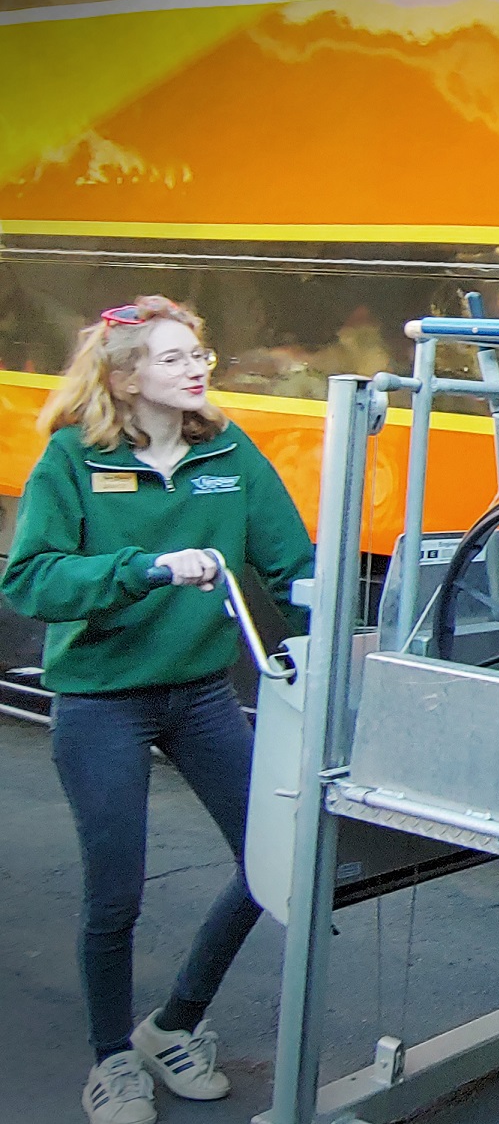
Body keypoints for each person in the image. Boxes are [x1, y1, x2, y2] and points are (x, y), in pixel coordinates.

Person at [1, 296, 314, 1124]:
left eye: (197, 353)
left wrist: (345, 638)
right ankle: (111, 1062)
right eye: (173, 358)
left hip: (202, 694)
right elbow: (29, 579)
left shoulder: (229, 451)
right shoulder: (73, 460)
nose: (197, 368)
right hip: (102, 700)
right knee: (116, 895)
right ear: (126, 375)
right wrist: (142, 569)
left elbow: (292, 563)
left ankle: (173, 1023)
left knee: (273, 862)